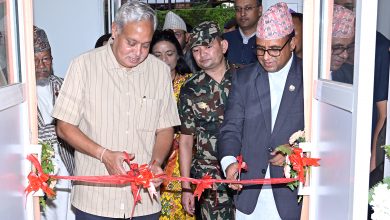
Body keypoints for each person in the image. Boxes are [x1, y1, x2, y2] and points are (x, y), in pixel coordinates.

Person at [52, 2, 181, 219]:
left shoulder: (159, 72)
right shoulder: (84, 66)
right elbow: (64, 127)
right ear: (115, 30)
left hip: (144, 202)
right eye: (131, 43)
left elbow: (165, 127)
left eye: (145, 45)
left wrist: (156, 163)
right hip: (95, 201)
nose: (138, 52)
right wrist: (104, 155)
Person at [218, 3, 303, 219]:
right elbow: (231, 127)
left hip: (292, 196)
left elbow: (326, 136)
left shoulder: (308, 78)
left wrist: (297, 156)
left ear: (292, 43)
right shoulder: (244, 78)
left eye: (274, 49)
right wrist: (229, 163)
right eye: (260, 48)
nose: (266, 57)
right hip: (250, 196)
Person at [178, 21, 235, 219]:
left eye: (208, 46)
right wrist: (186, 188)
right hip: (208, 178)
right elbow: (185, 140)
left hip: (244, 174)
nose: (202, 54)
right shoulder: (190, 89)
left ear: (223, 46)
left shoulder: (244, 78)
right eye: (196, 49)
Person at [149, 29, 193, 220]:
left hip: (181, 163)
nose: (164, 60)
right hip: (149, 160)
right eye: (157, 55)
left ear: (178, 55)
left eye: (169, 54)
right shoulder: (143, 86)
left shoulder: (190, 85)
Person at [34, 26, 75, 220]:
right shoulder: (20, 95)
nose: (41, 65)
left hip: (69, 164)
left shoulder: (65, 86)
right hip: (40, 170)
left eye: (45, 59)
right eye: (35, 60)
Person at [223, 0, 262, 66]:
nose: (242, 14)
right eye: (238, 9)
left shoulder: (268, 42)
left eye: (248, 8)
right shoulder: (224, 40)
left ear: (260, 10)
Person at [330, 4, 355, 84]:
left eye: (348, 47)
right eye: (338, 47)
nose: (345, 55)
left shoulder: (350, 76)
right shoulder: (300, 74)